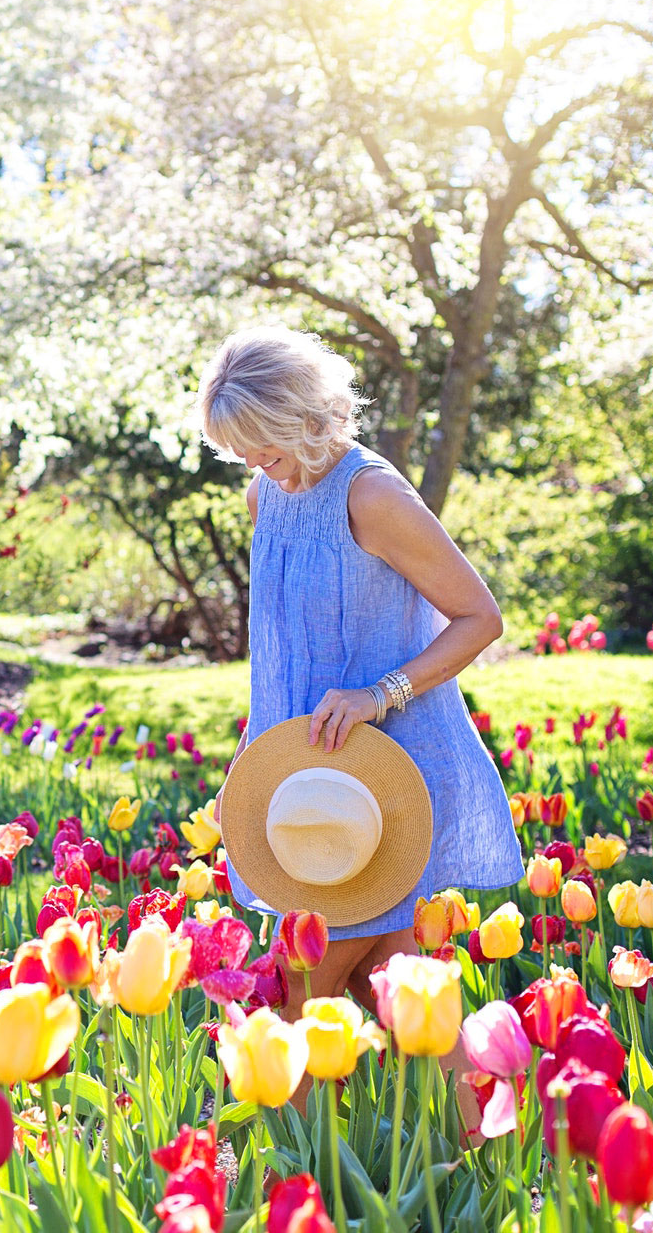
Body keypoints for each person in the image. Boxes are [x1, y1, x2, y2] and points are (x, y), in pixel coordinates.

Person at [197, 325, 523, 1019]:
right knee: (403, 1002)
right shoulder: (266, 497)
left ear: (304, 419)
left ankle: (265, 1133)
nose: (255, 465)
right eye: (241, 452)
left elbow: (479, 618)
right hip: (305, 778)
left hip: (374, 781)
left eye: (265, 446)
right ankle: (484, 1129)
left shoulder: (371, 497)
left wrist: (382, 694)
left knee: (286, 1006)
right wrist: (248, 765)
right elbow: (278, 659)